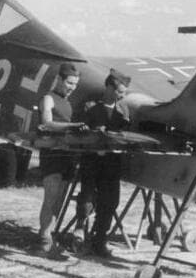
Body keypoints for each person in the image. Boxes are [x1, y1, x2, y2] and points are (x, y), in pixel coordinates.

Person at [74, 70, 131, 258]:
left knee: (110, 202)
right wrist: (92, 132)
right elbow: (79, 131)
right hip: (92, 160)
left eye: (124, 93)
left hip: (112, 163)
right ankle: (80, 232)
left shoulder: (123, 111)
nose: (123, 96)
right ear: (108, 87)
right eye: (120, 92)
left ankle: (99, 240)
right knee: (87, 200)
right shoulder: (90, 107)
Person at [34, 62, 87, 258]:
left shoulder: (68, 103)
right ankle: (43, 239)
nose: (72, 87)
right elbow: (46, 123)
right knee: (51, 197)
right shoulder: (48, 98)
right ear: (59, 79)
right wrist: (71, 126)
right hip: (52, 154)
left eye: (75, 84)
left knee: (59, 200)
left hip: (68, 155)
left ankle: (49, 236)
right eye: (69, 83)